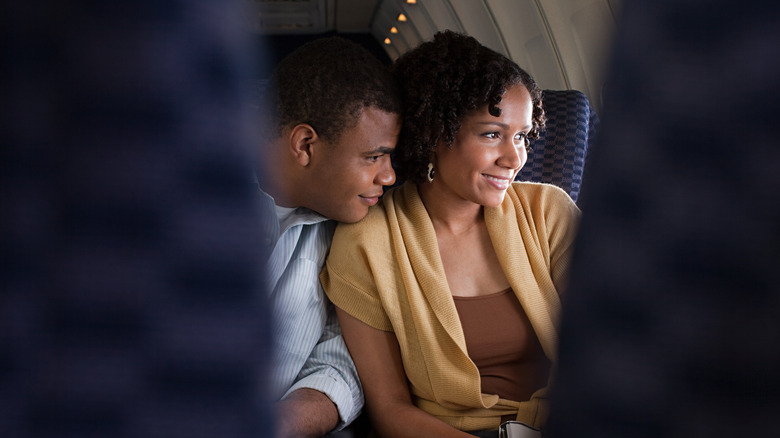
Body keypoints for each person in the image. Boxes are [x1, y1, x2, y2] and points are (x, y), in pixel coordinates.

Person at [320, 31, 581, 437]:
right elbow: (390, 410)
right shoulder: (366, 243)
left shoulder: (550, 213)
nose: (515, 158)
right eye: (492, 134)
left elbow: (606, 353)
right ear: (436, 133)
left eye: (522, 136)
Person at [257, 36, 402, 437]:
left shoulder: (358, 231)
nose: (389, 176)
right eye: (373, 156)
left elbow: (341, 362)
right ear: (305, 145)